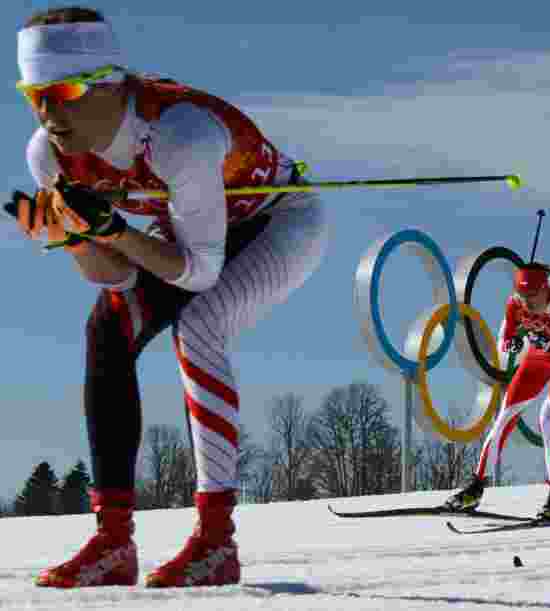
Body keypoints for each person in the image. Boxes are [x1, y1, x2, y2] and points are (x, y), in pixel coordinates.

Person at [7, 7, 328, 588]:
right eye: (34, 95)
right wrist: (73, 243)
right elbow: (120, 281)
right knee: (107, 327)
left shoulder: (181, 133)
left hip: (276, 222)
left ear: (112, 82)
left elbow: (200, 274)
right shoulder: (49, 155)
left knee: (200, 325)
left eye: (66, 90)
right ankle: (112, 541)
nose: (50, 112)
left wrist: (115, 234)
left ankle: (215, 541)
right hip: (191, 235)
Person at [445, 262, 550, 519]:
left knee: (546, 420)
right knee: (504, 418)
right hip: (536, 361)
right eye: (522, 296)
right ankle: (475, 487)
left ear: (545, 290)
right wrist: (511, 342)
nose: (527, 303)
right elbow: (506, 333)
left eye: (532, 296)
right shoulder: (515, 303)